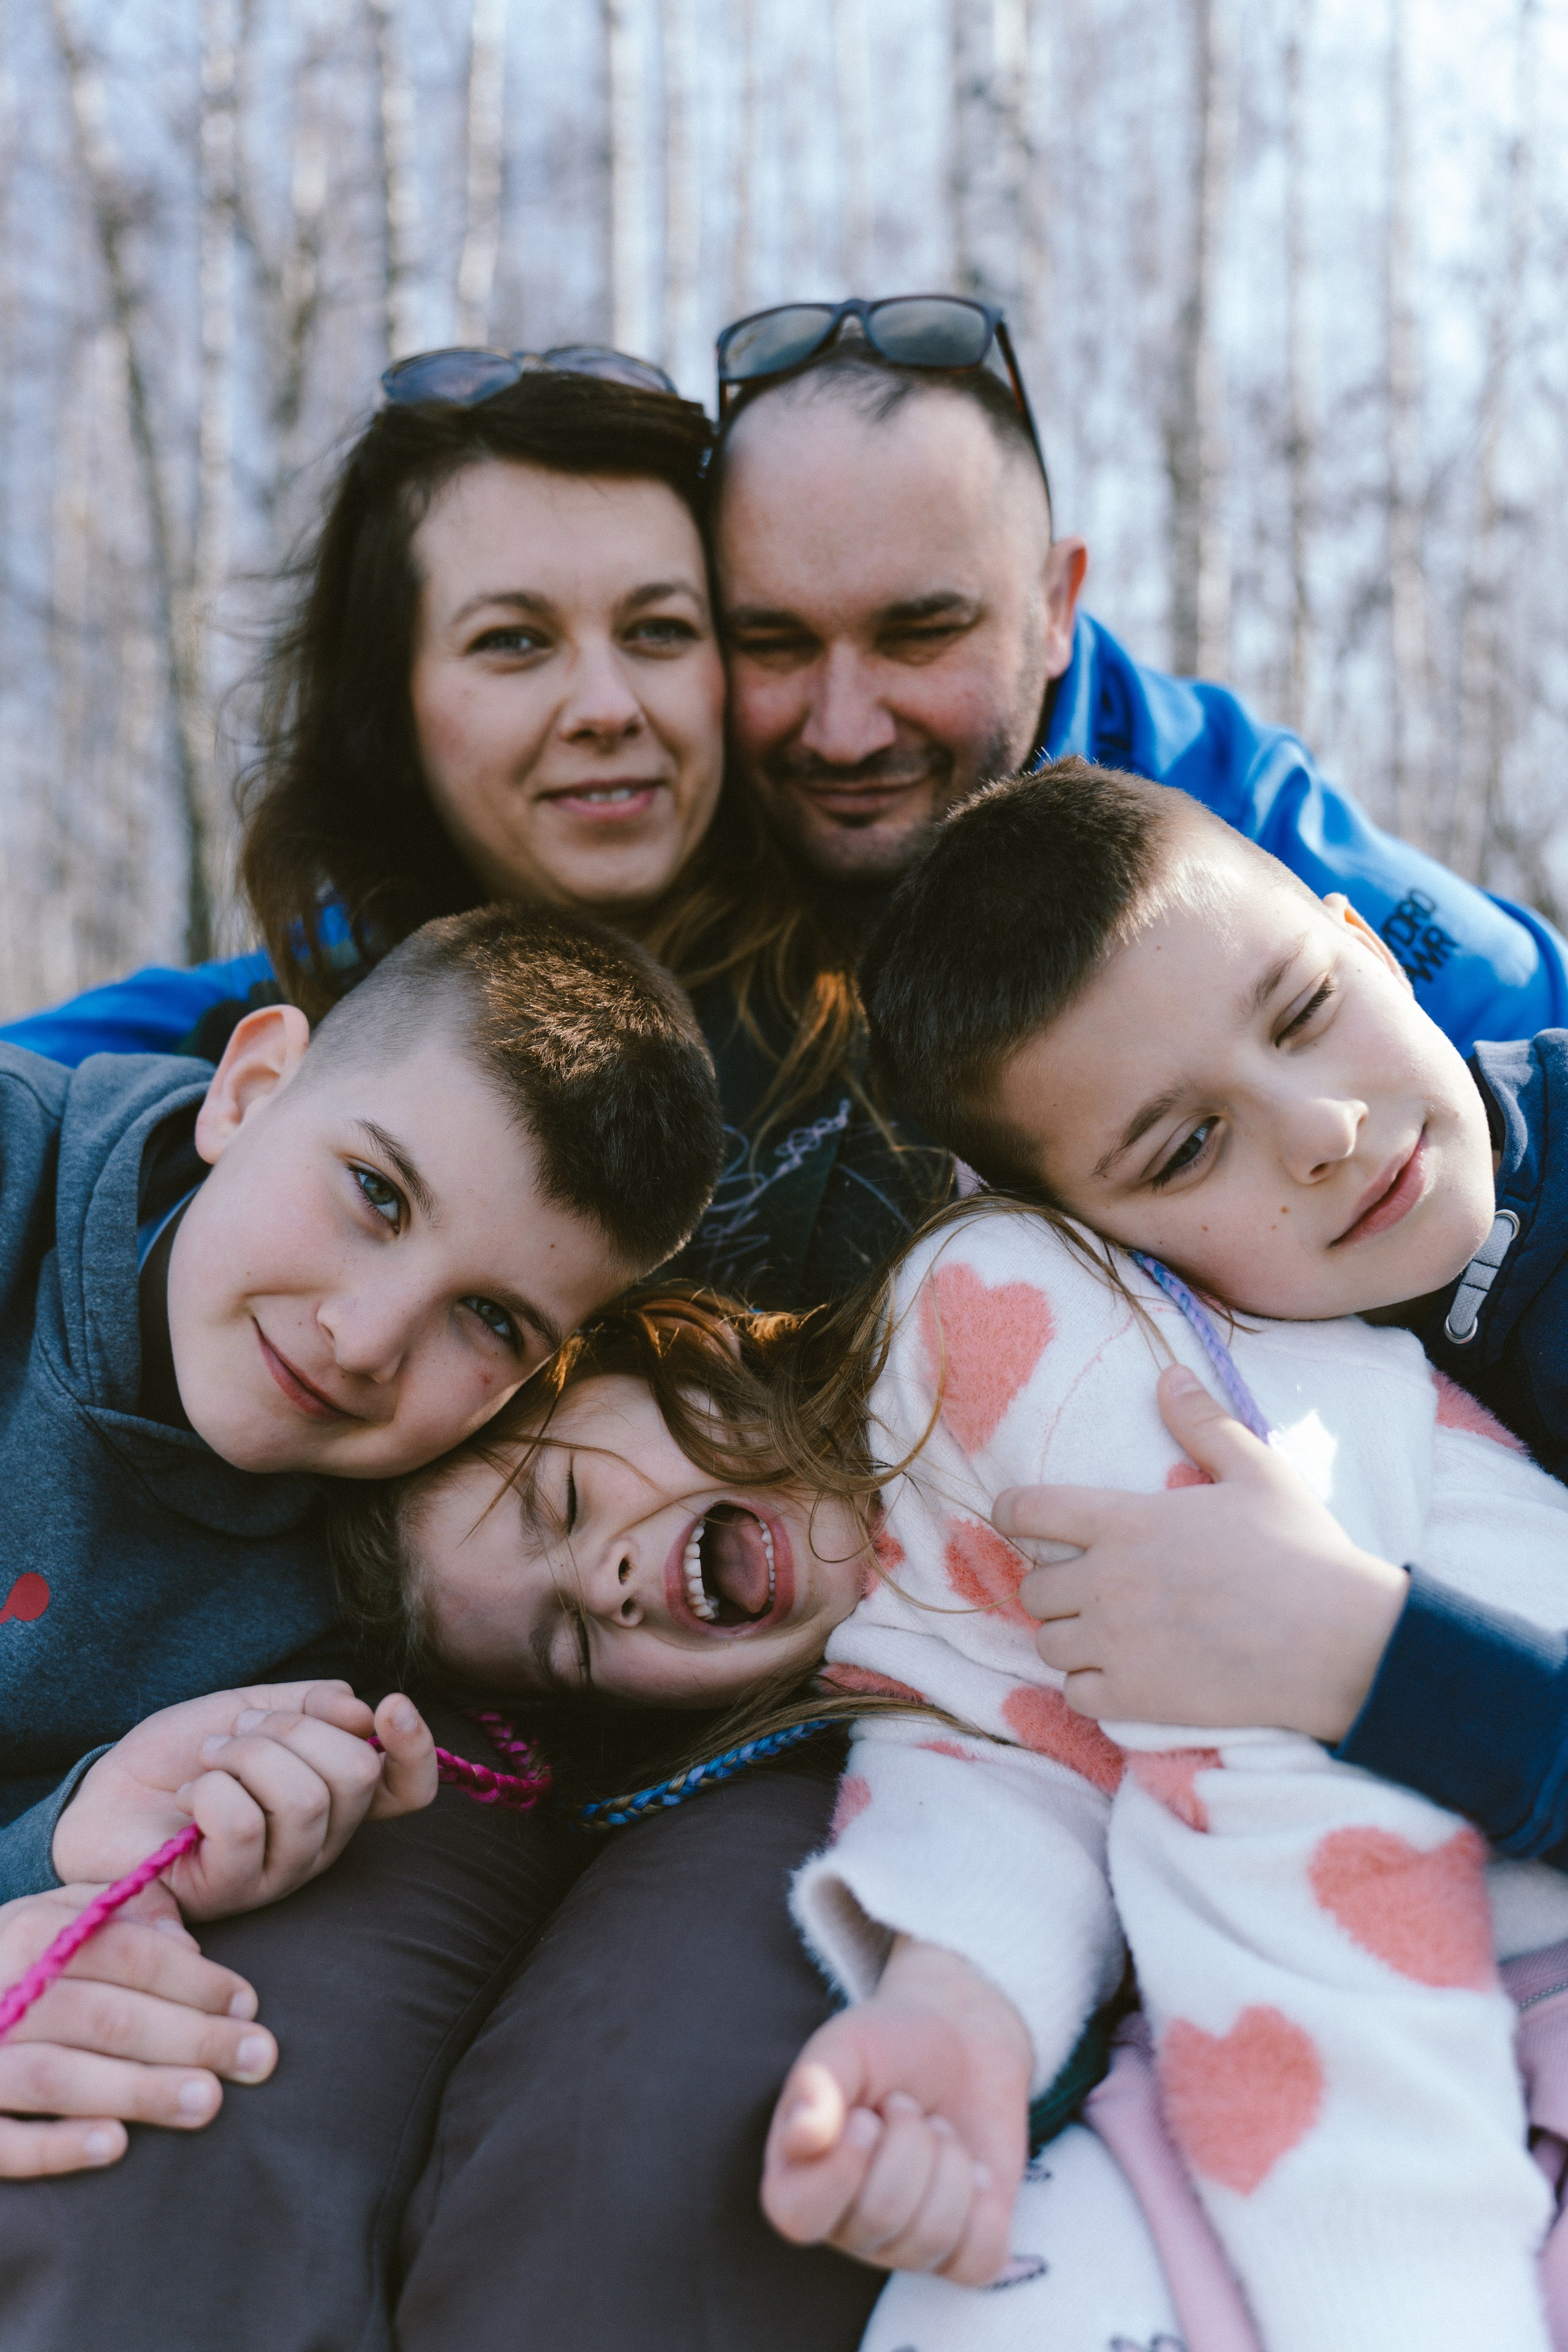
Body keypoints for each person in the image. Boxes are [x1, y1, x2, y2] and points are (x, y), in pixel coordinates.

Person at [859, 760, 1568, 1880]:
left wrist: (1357, 1655)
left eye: (1308, 1010)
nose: (1324, 1129)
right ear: (1095, 1252)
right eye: (1188, 1147)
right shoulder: (1177, 1391)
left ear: (1371, 947)